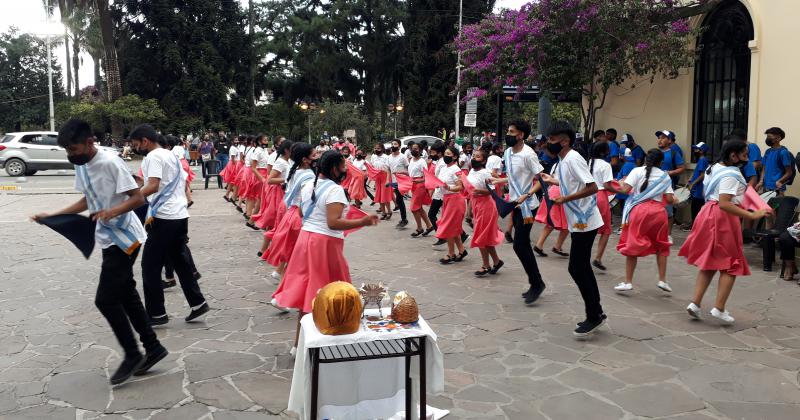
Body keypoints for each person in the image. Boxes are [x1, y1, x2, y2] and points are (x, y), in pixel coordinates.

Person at [32, 119, 168, 386]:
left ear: (90, 142)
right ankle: (153, 348)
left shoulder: (110, 163)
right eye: (68, 151)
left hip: (126, 238)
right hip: (107, 238)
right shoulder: (81, 165)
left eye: (74, 149)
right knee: (126, 293)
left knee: (105, 300)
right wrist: (53, 215)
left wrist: (112, 211)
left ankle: (132, 354)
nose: (71, 155)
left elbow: (138, 197)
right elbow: (86, 199)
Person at [272, 150, 379, 354]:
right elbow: (333, 223)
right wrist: (363, 221)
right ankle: (327, 340)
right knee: (332, 291)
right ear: (333, 168)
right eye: (343, 165)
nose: (346, 169)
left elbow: (303, 212)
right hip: (324, 244)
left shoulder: (308, 184)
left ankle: (299, 344)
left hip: (306, 241)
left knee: (308, 294)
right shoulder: (335, 190)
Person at [679, 140, 769, 324]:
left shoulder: (714, 167)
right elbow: (725, 202)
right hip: (723, 218)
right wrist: (751, 215)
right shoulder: (731, 174)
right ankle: (719, 308)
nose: (748, 159)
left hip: (708, 214)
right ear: (733, 156)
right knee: (732, 264)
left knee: (710, 261)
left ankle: (695, 304)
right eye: (744, 155)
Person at [130, 124, 209, 326]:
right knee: (180, 261)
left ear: (145, 141)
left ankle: (156, 314)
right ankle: (197, 303)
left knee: (149, 266)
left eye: (136, 144)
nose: (136, 148)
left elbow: (154, 185)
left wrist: (131, 199)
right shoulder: (170, 154)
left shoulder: (153, 157)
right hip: (180, 214)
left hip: (163, 217)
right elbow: (178, 181)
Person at [539, 121, 607, 337]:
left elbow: (592, 187)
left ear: (565, 141)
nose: (548, 143)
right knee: (581, 267)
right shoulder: (564, 160)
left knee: (577, 268)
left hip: (585, 221)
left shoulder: (573, 159)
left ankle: (594, 315)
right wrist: (554, 181)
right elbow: (574, 182)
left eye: (552, 140)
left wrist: (564, 198)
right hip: (579, 221)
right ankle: (596, 311)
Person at [491, 120, 546, 305]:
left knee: (520, 245)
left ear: (521, 135)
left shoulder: (529, 155)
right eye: (508, 130)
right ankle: (536, 282)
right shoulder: (507, 153)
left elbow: (541, 180)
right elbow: (513, 177)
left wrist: (527, 194)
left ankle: (537, 284)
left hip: (528, 206)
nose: (508, 134)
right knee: (520, 245)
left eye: (512, 131)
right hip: (515, 203)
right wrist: (498, 181)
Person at [614, 149, 675, 293]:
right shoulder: (665, 176)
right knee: (662, 245)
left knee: (632, 244)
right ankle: (662, 280)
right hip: (659, 214)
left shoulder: (636, 171)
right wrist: (675, 199)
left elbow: (625, 190)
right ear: (661, 162)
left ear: (646, 159)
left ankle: (628, 282)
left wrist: (618, 183)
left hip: (639, 212)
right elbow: (671, 199)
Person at [263, 143, 317, 286]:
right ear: (305, 159)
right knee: (297, 257)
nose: (317, 157)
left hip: (290, 212)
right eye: (314, 155)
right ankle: (283, 292)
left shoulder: (294, 169)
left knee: (291, 250)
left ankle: (280, 276)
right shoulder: (308, 176)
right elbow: (307, 200)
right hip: (299, 215)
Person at [466, 149, 504, 276]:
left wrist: (481, 192)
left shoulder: (486, 173)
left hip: (486, 206)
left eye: (477, 157)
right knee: (484, 237)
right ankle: (497, 261)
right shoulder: (471, 171)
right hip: (476, 205)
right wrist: (469, 211)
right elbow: (471, 191)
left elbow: (493, 191)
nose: (474, 158)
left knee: (480, 236)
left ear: (483, 160)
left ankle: (486, 265)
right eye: (474, 156)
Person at [588, 142, 622, 271]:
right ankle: (598, 258)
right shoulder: (605, 165)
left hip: (586, 196)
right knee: (605, 230)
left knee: (587, 228)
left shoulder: (586, 163)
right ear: (603, 152)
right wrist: (620, 189)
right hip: (600, 196)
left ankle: (583, 255)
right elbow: (607, 186)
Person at [436, 145, 468, 264]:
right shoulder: (444, 167)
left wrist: (448, 187)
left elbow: (460, 187)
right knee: (453, 227)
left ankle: (451, 253)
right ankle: (461, 250)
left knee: (449, 227)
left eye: (448, 154)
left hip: (455, 200)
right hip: (447, 199)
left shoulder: (456, 169)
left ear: (455, 156)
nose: (446, 156)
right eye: (445, 154)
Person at [656, 130, 685, 240]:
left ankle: (667, 235)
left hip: (667, 187)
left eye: (663, 138)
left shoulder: (673, 153)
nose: (660, 140)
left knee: (668, 212)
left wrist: (670, 173)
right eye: (659, 137)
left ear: (669, 140)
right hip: (653, 188)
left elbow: (682, 168)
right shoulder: (654, 152)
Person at [407, 142, 434, 237]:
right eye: (412, 148)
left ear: (421, 150)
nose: (414, 150)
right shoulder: (411, 160)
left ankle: (419, 228)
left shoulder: (422, 161)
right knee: (419, 208)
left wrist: (419, 181)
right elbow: (410, 173)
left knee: (414, 208)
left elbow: (427, 176)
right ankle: (429, 226)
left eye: (416, 149)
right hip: (413, 185)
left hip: (420, 186)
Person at [757, 127, 793, 196]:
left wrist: (779, 181)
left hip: (777, 188)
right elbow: (764, 168)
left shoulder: (783, 152)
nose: (767, 139)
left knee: (775, 206)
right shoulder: (768, 152)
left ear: (778, 138)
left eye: (770, 136)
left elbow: (789, 172)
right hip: (766, 187)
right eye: (767, 136)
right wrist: (761, 181)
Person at [685, 142, 711, 229]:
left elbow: (703, 175)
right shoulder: (701, 160)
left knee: (696, 208)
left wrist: (693, 183)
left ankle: (695, 226)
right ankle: (694, 225)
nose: (694, 150)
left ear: (701, 151)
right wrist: (690, 179)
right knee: (694, 208)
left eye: (696, 149)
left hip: (699, 190)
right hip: (696, 189)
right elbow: (696, 172)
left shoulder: (703, 160)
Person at [386, 139, 409, 228]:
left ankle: (404, 219)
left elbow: (408, 169)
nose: (393, 145)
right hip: (394, 182)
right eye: (392, 144)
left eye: (395, 144)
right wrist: (387, 180)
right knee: (399, 200)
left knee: (399, 199)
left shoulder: (403, 157)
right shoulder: (389, 157)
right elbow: (388, 169)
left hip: (402, 182)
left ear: (399, 146)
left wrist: (404, 174)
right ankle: (403, 219)